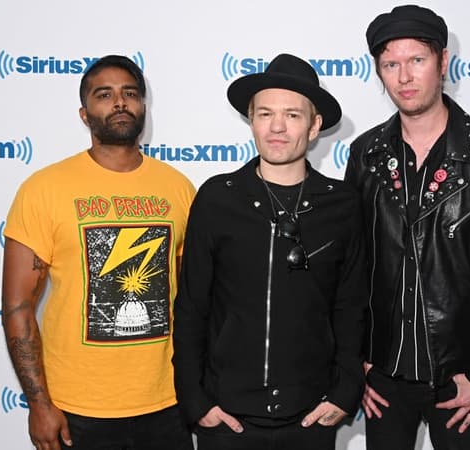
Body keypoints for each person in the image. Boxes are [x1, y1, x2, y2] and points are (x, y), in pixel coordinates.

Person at [344, 5, 470, 450]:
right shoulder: (365, 154)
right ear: (379, 72)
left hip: (461, 377)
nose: (404, 76)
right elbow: (350, 269)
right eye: (390, 64)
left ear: (443, 62)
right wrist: (358, 364)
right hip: (385, 379)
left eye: (417, 60)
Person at [172, 53, 367, 450]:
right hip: (225, 420)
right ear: (252, 120)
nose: (277, 127)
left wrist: (345, 391)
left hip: (310, 418)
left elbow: (351, 307)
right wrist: (196, 401)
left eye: (293, 115)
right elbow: (192, 306)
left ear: (314, 127)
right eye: (265, 114)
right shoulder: (216, 198)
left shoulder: (342, 204)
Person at [1, 55, 195, 450]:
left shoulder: (178, 188)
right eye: (104, 95)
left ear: (144, 106)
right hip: (77, 409)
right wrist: (39, 404)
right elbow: (18, 305)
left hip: (167, 402)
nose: (119, 103)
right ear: (84, 113)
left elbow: (190, 296)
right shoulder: (44, 189)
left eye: (130, 93)